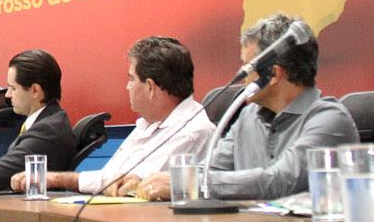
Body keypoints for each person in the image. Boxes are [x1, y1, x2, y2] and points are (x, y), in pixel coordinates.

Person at [129, 14, 357, 201]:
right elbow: (211, 170)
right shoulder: (249, 116)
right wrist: (151, 181)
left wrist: (187, 182)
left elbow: (280, 181)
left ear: (274, 74)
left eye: (247, 68)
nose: (242, 78)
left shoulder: (329, 119)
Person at [16, 37, 213, 196]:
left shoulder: (192, 131)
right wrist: (53, 179)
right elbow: (109, 177)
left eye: (131, 79)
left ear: (150, 87)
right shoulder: (149, 122)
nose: (127, 87)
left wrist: (57, 179)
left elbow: (127, 185)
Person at [0, 49, 77, 192]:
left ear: (35, 90)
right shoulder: (49, 121)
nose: (7, 95)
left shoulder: (48, 130)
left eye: (13, 88)